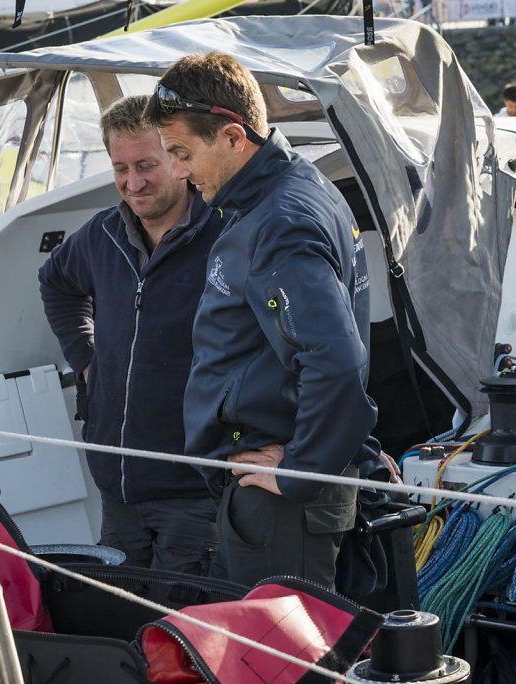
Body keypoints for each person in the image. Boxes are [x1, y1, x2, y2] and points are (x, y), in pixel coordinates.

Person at [144, 52, 387, 589]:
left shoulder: (279, 221)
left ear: (233, 137)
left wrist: (303, 466)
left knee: (280, 666)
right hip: (282, 489)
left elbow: (336, 359)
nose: (178, 172)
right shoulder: (295, 193)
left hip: (280, 500)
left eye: (183, 153)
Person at [38, 95, 224, 575]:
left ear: (180, 161)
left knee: (179, 633)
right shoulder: (100, 235)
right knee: (122, 621)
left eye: (146, 165)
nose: (132, 183)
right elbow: (56, 283)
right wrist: (86, 358)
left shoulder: (227, 235)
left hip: (196, 494)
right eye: (119, 167)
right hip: (116, 488)